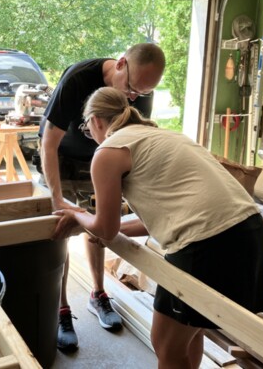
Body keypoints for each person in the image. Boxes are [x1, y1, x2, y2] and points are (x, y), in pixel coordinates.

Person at [54, 87, 263, 368]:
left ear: (95, 121)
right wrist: (100, 229)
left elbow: (105, 229)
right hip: (249, 232)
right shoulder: (165, 136)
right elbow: (154, 219)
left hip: (207, 242)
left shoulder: (108, 151)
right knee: (190, 330)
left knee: (166, 344)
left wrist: (79, 217)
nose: (90, 135)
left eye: (86, 129)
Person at [38, 43, 165, 351]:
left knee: (98, 225)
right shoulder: (79, 79)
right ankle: (61, 309)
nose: (133, 98)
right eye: (132, 89)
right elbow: (49, 143)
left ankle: (98, 294)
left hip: (103, 160)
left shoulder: (139, 95)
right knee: (62, 229)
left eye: (142, 94)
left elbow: (131, 146)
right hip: (63, 158)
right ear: (121, 64)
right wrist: (56, 198)